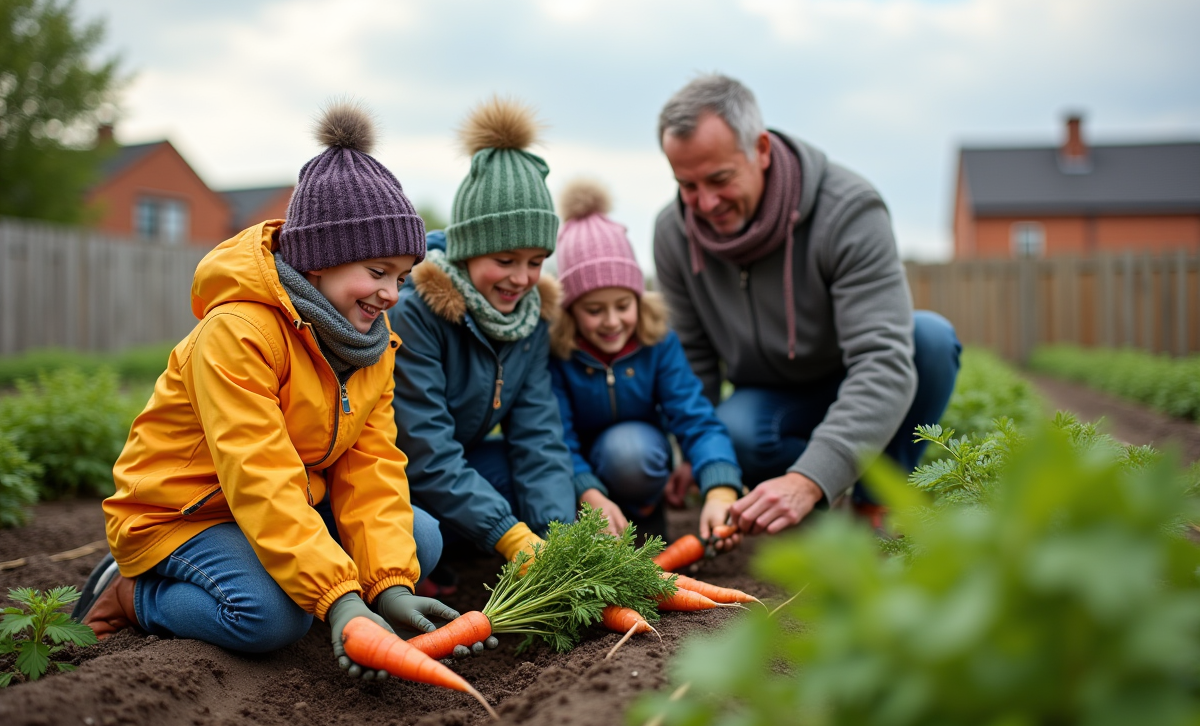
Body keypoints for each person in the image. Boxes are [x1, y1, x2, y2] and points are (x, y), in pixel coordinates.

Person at [75, 103, 472, 677]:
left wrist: (386, 588)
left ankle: (324, 590)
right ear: (318, 263)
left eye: (401, 277)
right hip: (187, 513)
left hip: (279, 506)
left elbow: (373, 466)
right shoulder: (239, 333)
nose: (391, 293)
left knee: (421, 539)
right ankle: (130, 593)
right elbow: (258, 476)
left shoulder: (371, 346)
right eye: (377, 271)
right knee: (268, 618)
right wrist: (339, 598)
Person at [653, 75, 961, 538]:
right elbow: (693, 359)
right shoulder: (674, 233)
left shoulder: (848, 210)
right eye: (687, 185)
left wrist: (809, 477)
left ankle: (873, 502)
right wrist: (699, 455)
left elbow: (883, 361)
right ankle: (815, 503)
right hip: (770, 399)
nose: (705, 202)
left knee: (929, 340)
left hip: (851, 373)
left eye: (719, 179)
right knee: (735, 431)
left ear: (760, 149)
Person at [389, 97, 575, 570]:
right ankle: (435, 568)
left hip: (458, 471)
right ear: (470, 251)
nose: (522, 278)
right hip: (396, 478)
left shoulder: (529, 320)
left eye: (535, 262)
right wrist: (510, 536)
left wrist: (561, 539)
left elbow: (538, 436)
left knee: (527, 476)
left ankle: (465, 560)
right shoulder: (417, 313)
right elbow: (425, 451)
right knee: (427, 535)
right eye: (506, 261)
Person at [547, 179, 742, 544]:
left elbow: (695, 416)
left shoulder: (658, 342)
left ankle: (645, 520)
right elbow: (558, 438)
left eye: (623, 306)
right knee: (604, 456)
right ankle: (595, 527)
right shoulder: (558, 354)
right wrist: (588, 492)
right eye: (593, 310)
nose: (611, 321)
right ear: (570, 311)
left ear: (639, 299)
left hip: (637, 460)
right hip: (581, 480)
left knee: (630, 450)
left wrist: (720, 488)